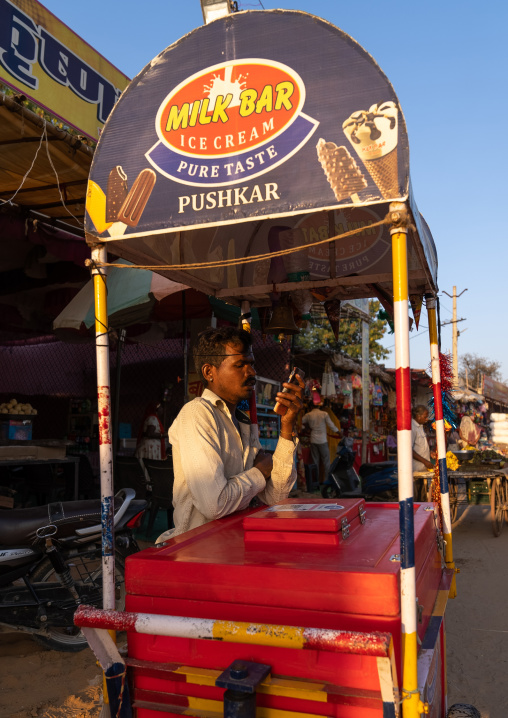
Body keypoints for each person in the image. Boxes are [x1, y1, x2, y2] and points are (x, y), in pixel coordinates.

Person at [156, 326, 303, 541]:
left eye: (251, 364)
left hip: (235, 541)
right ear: (209, 372)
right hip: (198, 548)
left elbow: (276, 496)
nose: (251, 372)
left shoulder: (243, 423)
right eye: (240, 364)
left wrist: (287, 428)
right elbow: (214, 505)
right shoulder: (197, 413)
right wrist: (260, 471)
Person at [301, 402, 340, 482]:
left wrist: (305, 428)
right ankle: (326, 480)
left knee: (315, 462)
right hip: (322, 440)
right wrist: (339, 432)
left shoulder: (308, 415)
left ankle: (316, 481)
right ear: (319, 406)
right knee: (326, 462)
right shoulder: (324, 414)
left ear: (311, 406)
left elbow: (300, 422)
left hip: (313, 440)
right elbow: (331, 425)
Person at [412, 404, 434, 500]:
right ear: (418, 416)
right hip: (416, 468)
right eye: (425, 417)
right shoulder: (412, 428)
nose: (426, 419)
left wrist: (430, 454)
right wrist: (425, 461)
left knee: (423, 495)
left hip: (422, 469)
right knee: (417, 496)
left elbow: (420, 446)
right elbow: (410, 450)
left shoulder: (420, 427)